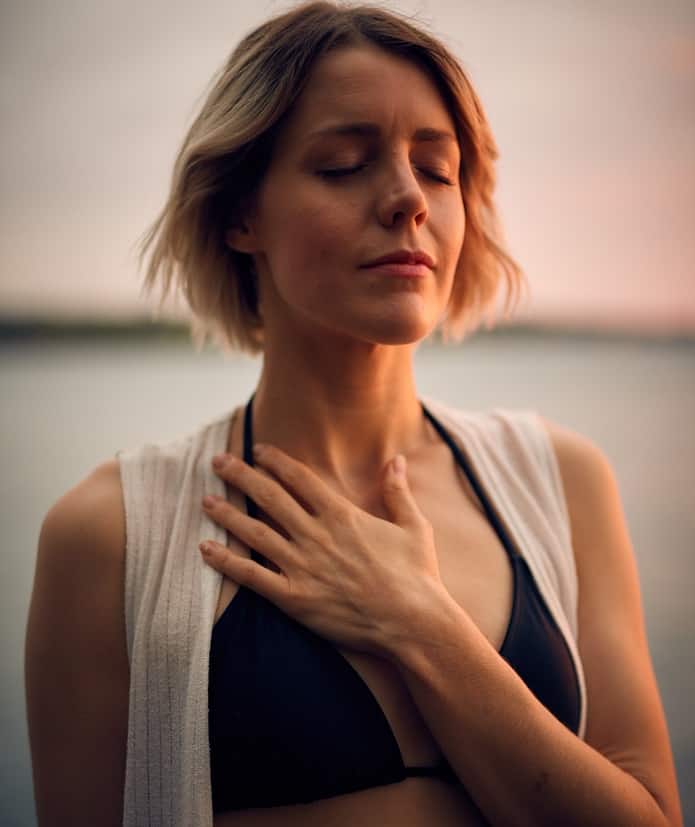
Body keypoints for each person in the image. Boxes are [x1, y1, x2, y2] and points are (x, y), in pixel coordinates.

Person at [25, 2, 683, 825]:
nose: (408, 198)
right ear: (239, 214)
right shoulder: (111, 535)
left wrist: (418, 621)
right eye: (342, 164)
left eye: (438, 170)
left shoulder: (562, 482)